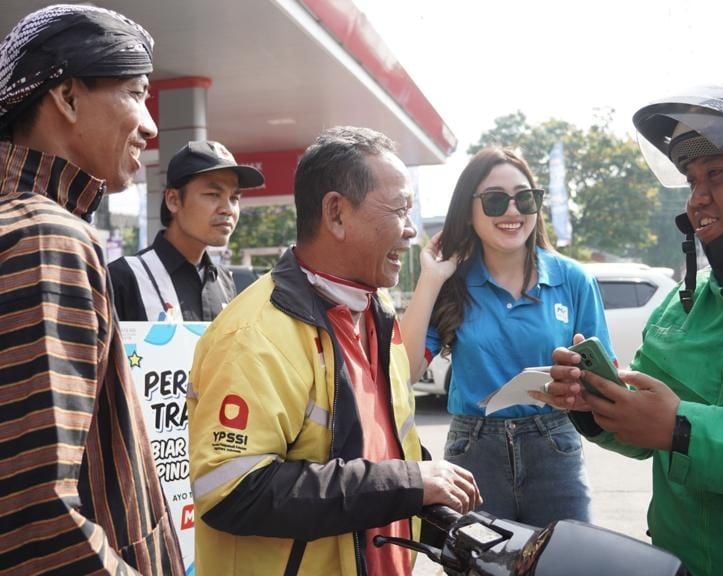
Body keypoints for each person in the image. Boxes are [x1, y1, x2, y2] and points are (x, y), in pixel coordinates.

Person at [187, 126, 481, 576]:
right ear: (336, 214)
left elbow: (382, 444)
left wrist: (437, 505)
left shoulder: (374, 307)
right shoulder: (254, 334)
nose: (410, 231)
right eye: (400, 209)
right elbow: (231, 492)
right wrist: (406, 483)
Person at [539, 86, 723, 576]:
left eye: (716, 176)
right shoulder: (682, 305)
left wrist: (684, 430)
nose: (697, 199)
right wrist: (597, 407)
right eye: (691, 180)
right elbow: (648, 431)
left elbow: (675, 427)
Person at [0, 5, 184, 574]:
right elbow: (38, 518)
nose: (151, 125)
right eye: (135, 93)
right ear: (68, 97)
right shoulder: (43, 235)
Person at [401, 146, 613, 527]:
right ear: (469, 211)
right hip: (473, 452)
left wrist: (580, 387)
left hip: (554, 443)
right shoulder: (453, 284)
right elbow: (404, 372)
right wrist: (430, 278)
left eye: (524, 198)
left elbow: (605, 380)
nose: (513, 212)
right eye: (496, 201)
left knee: (566, 564)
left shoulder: (573, 280)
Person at [109, 140, 264, 321]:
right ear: (173, 200)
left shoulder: (224, 282)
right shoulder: (124, 278)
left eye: (234, 198)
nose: (228, 209)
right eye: (213, 194)